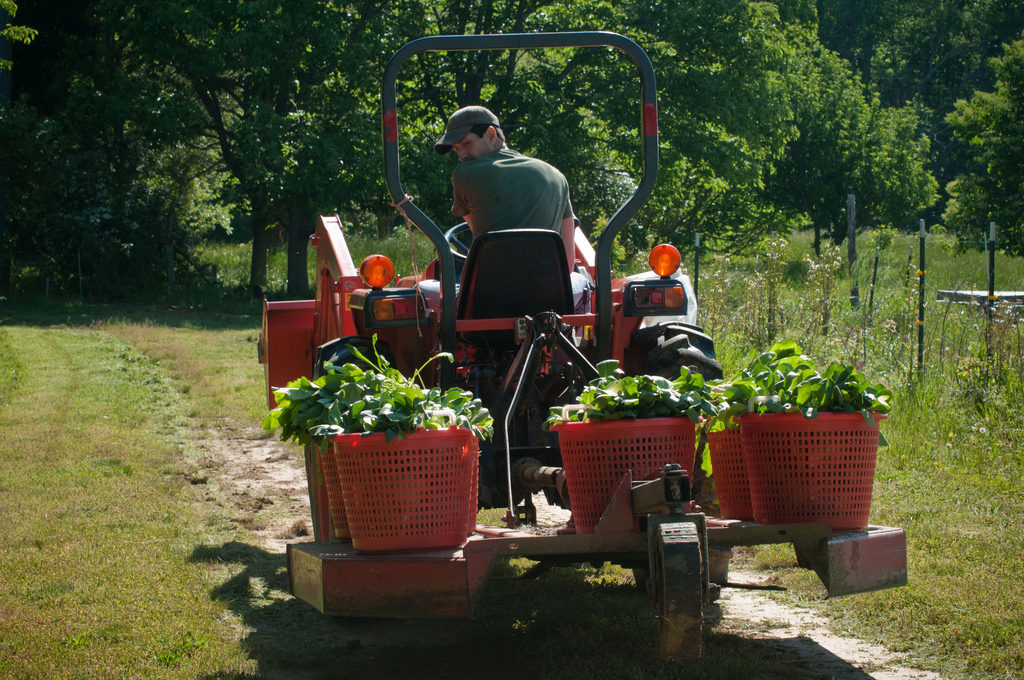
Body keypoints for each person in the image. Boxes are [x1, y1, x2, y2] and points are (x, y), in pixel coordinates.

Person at [434, 105, 576, 271]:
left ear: (491, 135)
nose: (462, 155)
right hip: (551, 290)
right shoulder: (557, 176)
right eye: (457, 148)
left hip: (491, 289)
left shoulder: (464, 174)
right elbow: (568, 262)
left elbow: (480, 236)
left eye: (467, 143)